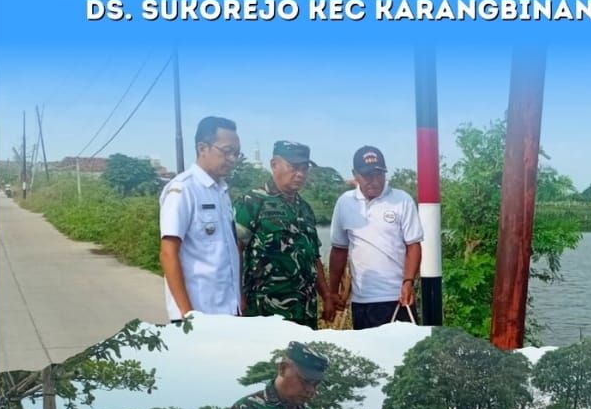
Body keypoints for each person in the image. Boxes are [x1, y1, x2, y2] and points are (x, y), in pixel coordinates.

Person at [233, 142, 334, 328]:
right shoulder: (252, 202)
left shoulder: (305, 209)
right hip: (265, 310)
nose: (301, 174)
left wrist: (326, 295)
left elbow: (314, 257)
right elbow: (234, 252)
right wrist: (238, 297)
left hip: (304, 310)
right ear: (274, 164)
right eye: (294, 167)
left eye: (304, 169)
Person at [328, 147, 423, 330]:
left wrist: (409, 281)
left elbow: (414, 246)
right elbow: (339, 250)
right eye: (367, 175)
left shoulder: (402, 200)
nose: (374, 180)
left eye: (379, 174)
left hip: (396, 298)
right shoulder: (344, 202)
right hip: (362, 301)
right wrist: (333, 292)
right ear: (355, 175)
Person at [159, 114, 242, 323]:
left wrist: (239, 301)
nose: (232, 159)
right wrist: (188, 315)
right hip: (198, 314)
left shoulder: (222, 192)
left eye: (236, 153)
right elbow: (168, 254)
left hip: (228, 311)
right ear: (202, 148)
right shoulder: (183, 189)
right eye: (227, 151)